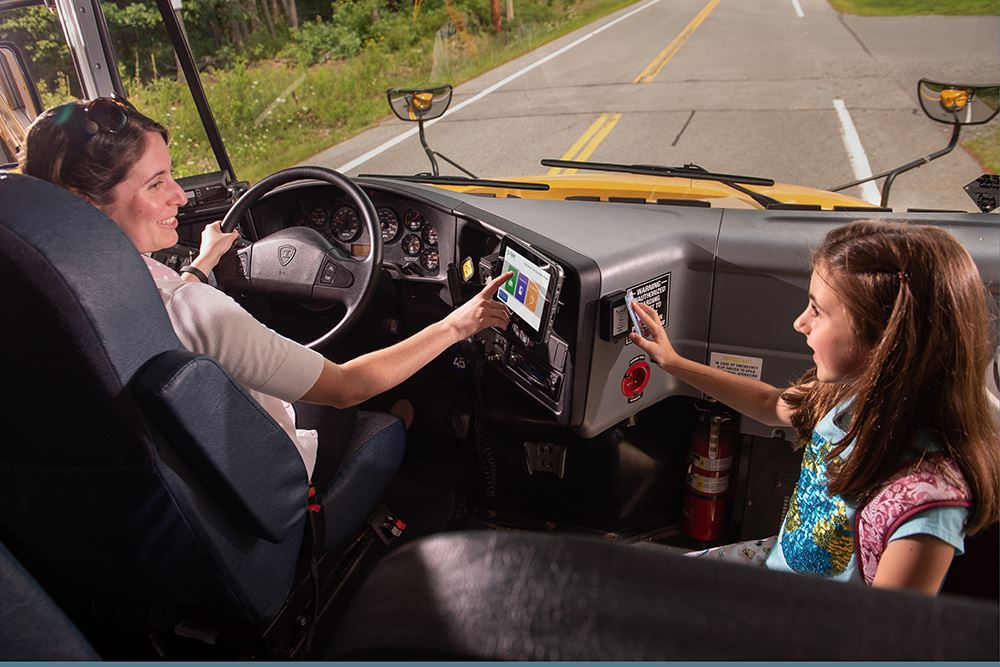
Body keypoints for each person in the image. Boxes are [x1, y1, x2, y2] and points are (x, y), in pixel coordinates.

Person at [19, 97, 512, 542]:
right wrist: (458, 324)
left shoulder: (53, 298)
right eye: (157, 184)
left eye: (172, 175)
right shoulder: (196, 311)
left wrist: (201, 264)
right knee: (371, 406)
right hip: (268, 482)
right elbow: (346, 386)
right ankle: (399, 426)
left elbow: (172, 302)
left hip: (151, 502)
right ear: (84, 208)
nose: (182, 197)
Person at [629, 220, 999, 594]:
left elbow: (883, 638)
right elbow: (769, 402)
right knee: (634, 586)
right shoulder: (849, 393)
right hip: (773, 563)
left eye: (817, 310)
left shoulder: (927, 499)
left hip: (814, 621)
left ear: (886, 339)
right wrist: (674, 363)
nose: (799, 323)